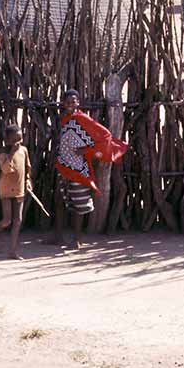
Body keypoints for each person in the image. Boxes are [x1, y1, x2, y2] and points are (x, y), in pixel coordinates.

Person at [51, 89, 127, 249]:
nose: (71, 104)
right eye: (68, 102)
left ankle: (77, 240)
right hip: (63, 166)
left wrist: (86, 150)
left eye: (74, 101)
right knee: (59, 200)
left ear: (78, 103)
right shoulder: (63, 120)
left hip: (78, 168)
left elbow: (105, 136)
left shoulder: (82, 119)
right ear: (63, 104)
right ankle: (58, 237)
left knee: (78, 205)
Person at [0, 123, 31, 260]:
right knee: (7, 220)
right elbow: (6, 169)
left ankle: (12, 251)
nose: (18, 143)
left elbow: (27, 167)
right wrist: (12, 152)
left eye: (20, 139)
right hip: (6, 189)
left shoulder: (24, 150)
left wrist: (28, 180)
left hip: (19, 188)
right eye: (14, 140)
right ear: (7, 141)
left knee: (18, 220)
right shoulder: (3, 154)